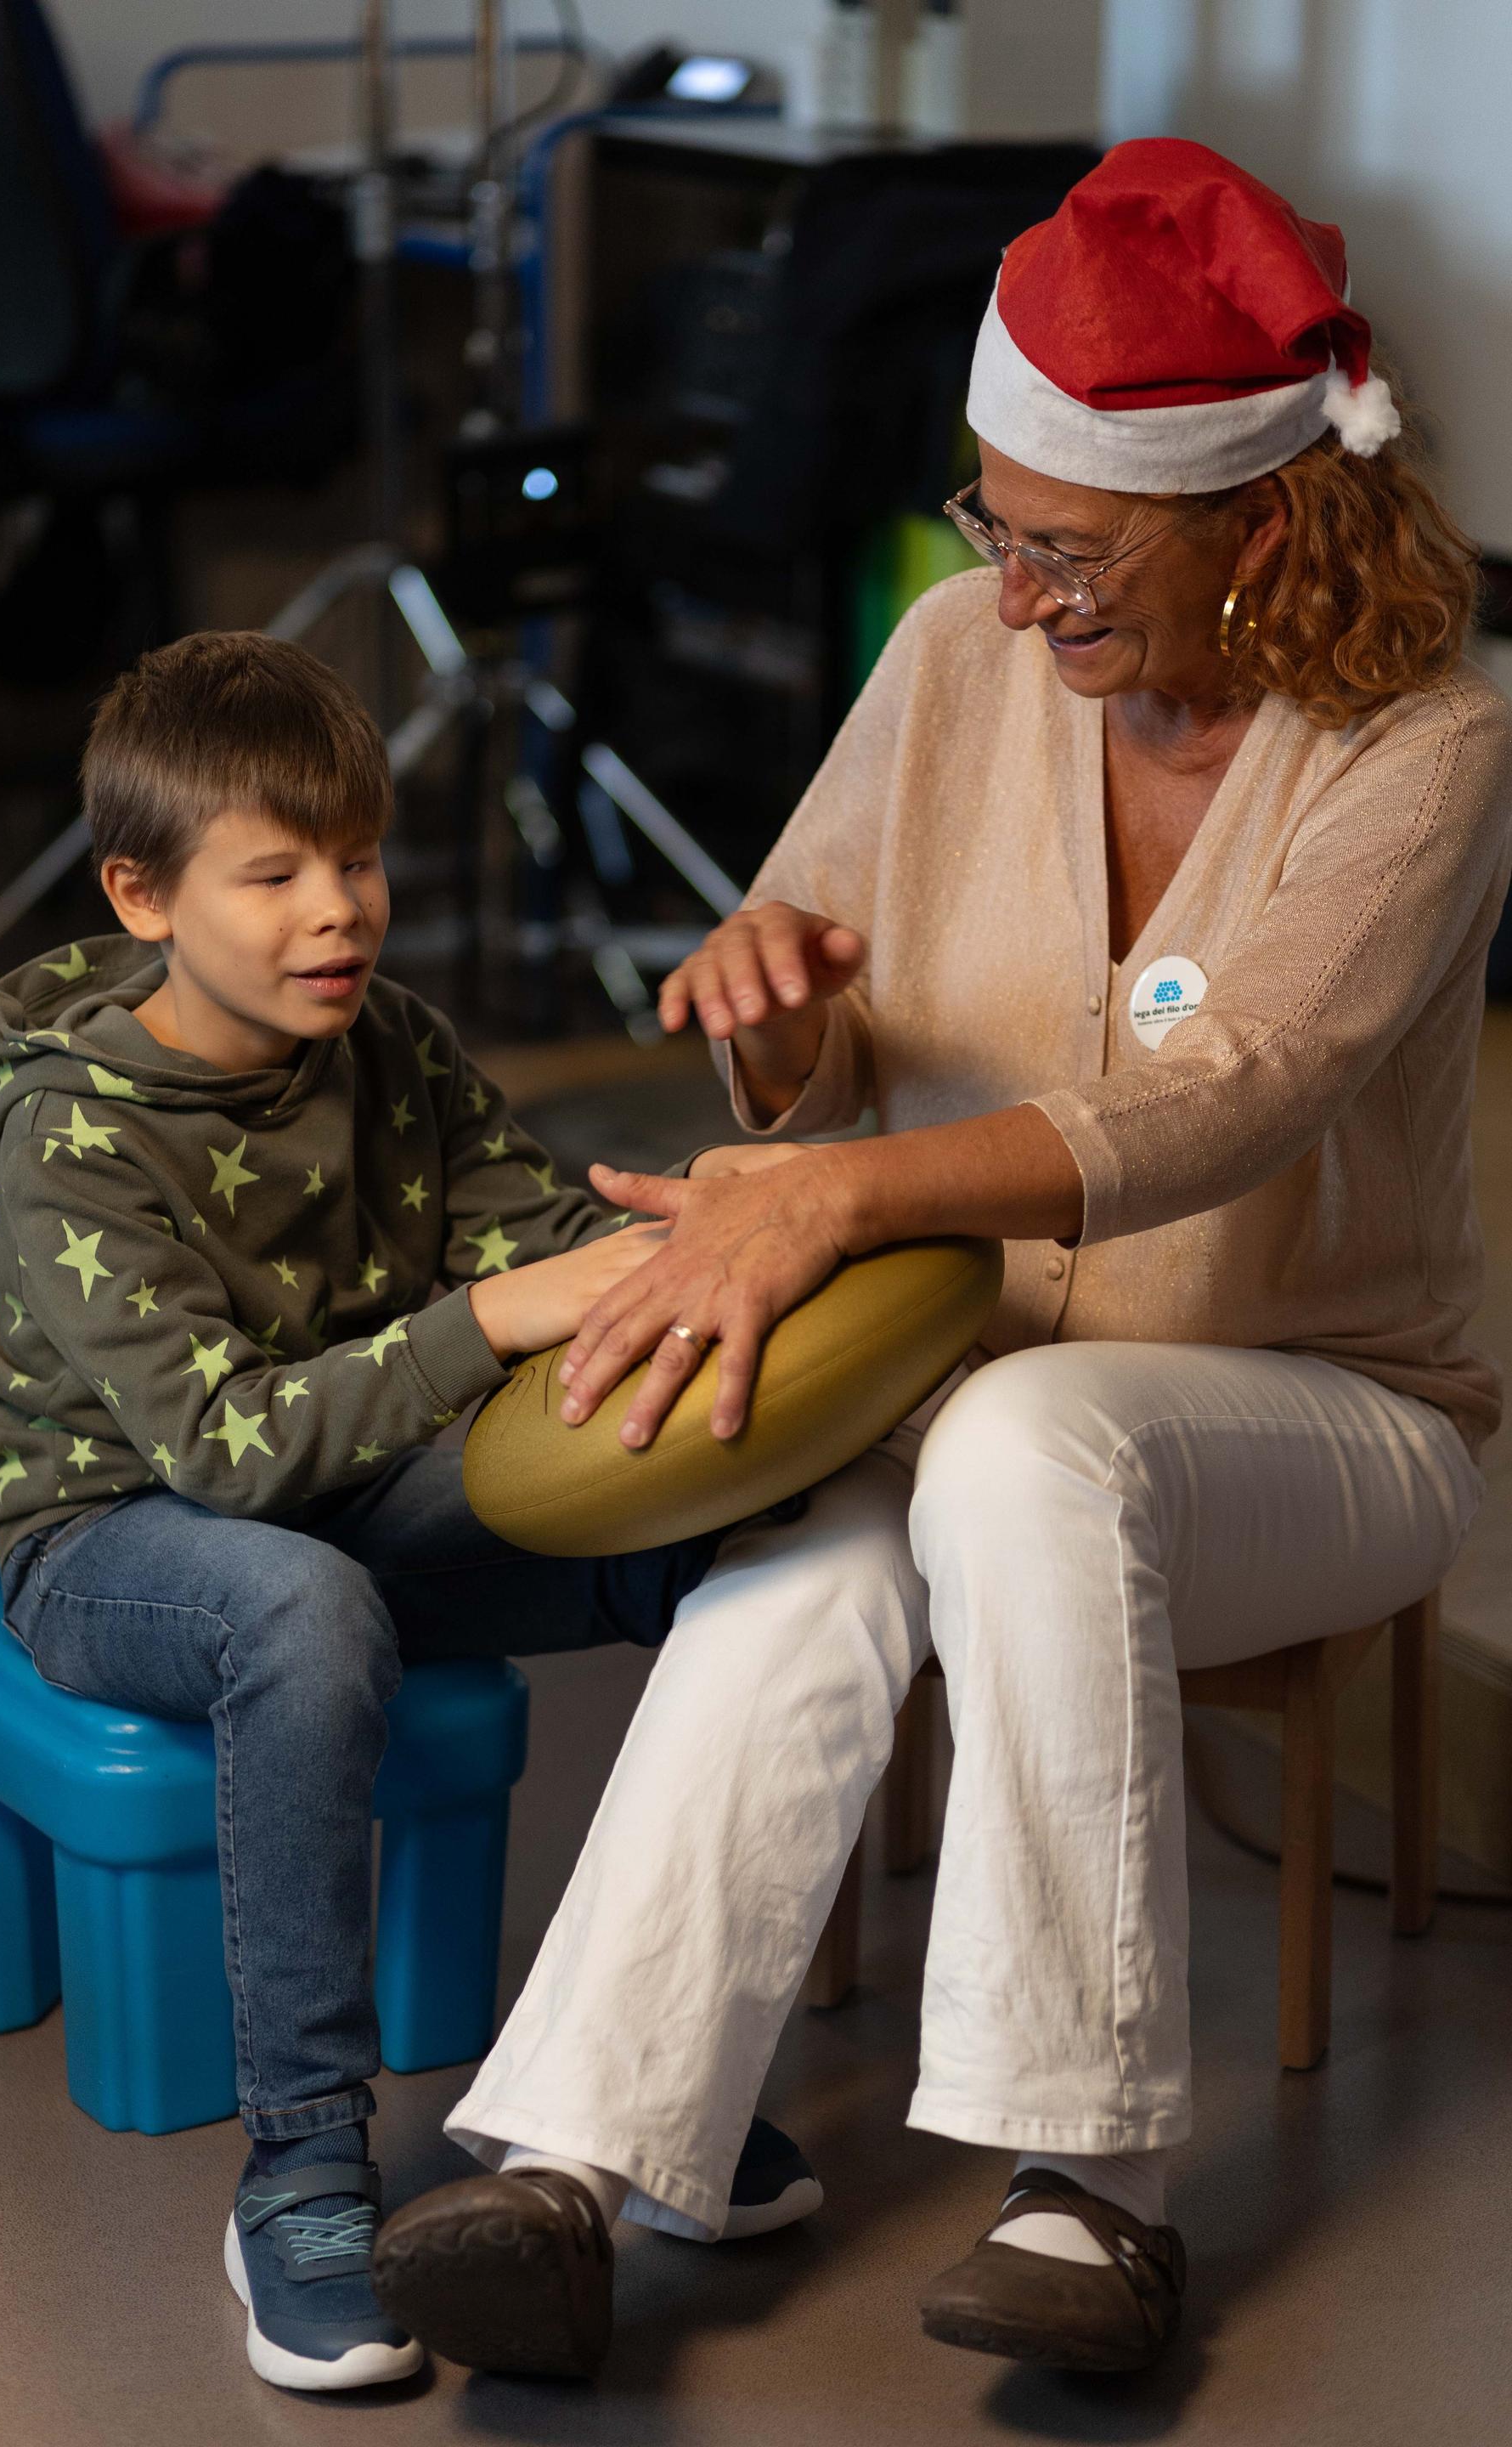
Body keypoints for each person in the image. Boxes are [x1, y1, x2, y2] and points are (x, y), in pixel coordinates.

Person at [373, 138, 1512, 2381]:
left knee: (1023, 1448)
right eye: (995, 525)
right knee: (813, 1559)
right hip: (978, 1383)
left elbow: (1234, 1096)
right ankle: (570, 2166)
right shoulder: (946, 654)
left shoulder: (1434, 741)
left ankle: (1098, 2185)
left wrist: (834, 1195)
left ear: (1257, 521)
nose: (1010, 591)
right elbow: (814, 1009)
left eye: (1068, 549)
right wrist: (783, 1033)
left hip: (1337, 1415)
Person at [0, 630, 821, 2396]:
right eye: (275, 873)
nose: (340, 908)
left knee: (720, 1538)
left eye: (360, 857)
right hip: (116, 1546)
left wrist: (707, 1226)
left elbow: (546, 1249)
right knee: (296, 1608)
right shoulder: (70, 1136)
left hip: (351, 1497)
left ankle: (647, 2079)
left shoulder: (390, 1045)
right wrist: (483, 1328)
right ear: (143, 892)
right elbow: (226, 1457)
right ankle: (304, 2172)